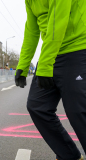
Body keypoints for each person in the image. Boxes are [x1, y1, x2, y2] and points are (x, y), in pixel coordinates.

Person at [15, 1, 86, 160]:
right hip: (50, 51)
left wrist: (46, 64)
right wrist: (23, 65)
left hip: (78, 49)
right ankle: (70, 156)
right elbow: (32, 30)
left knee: (78, 111)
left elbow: (58, 20)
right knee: (37, 106)